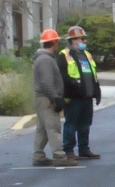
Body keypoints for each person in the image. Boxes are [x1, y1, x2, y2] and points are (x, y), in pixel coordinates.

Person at [30, 29, 74, 167]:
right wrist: (55, 98)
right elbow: (46, 82)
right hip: (46, 99)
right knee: (53, 127)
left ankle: (38, 156)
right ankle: (59, 156)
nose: (58, 44)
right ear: (53, 42)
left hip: (42, 98)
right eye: (57, 41)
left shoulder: (43, 58)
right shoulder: (45, 60)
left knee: (42, 129)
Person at [60, 26, 103, 160]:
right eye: (82, 39)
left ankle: (84, 149)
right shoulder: (65, 55)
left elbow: (93, 75)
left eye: (85, 39)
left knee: (85, 125)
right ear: (73, 40)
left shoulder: (87, 55)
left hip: (86, 97)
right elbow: (61, 75)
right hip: (73, 97)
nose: (84, 41)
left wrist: (97, 91)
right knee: (71, 124)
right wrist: (73, 84)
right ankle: (68, 150)